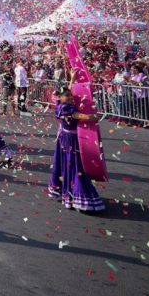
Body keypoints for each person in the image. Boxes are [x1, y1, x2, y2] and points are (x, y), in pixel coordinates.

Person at [48, 80, 105, 212]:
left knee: (69, 166)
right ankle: (78, 195)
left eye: (70, 95)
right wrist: (93, 117)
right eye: (67, 96)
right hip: (70, 141)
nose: (70, 97)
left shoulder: (60, 103)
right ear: (60, 97)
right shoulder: (65, 107)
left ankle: (70, 193)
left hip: (66, 138)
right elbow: (78, 115)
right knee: (76, 166)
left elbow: (66, 92)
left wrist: (72, 79)